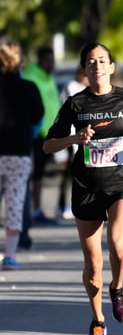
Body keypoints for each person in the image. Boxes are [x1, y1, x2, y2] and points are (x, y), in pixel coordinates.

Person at [43, 43, 123, 335]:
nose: (96, 66)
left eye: (102, 61)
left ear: (111, 66)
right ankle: (97, 321)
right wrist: (74, 138)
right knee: (93, 266)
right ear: (84, 69)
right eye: (90, 62)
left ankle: (118, 288)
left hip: (121, 181)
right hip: (86, 187)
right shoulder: (75, 104)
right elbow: (48, 145)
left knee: (117, 245)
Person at [0, 38, 44, 269]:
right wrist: (28, 134)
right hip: (19, 152)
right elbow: (39, 119)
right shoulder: (29, 88)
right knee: (15, 204)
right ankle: (10, 255)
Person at [24, 45, 61, 224]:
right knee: (33, 174)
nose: (50, 64)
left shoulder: (49, 78)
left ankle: (35, 210)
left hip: (49, 134)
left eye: (52, 61)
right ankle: (33, 210)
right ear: (39, 61)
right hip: (35, 133)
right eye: (47, 61)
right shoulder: (32, 78)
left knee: (38, 174)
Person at [56, 66, 89, 219]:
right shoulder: (72, 86)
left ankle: (83, 203)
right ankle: (63, 205)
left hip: (85, 138)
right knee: (70, 173)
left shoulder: (88, 88)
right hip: (71, 137)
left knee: (85, 173)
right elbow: (73, 110)